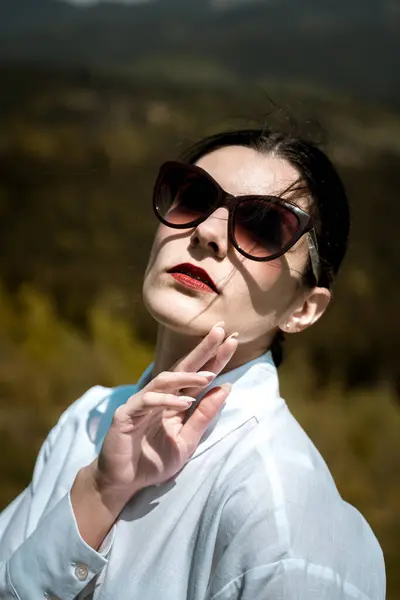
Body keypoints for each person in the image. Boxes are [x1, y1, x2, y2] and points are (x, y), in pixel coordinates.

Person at [0, 128, 385, 600]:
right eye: (194, 197)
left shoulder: (285, 513)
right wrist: (99, 494)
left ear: (304, 308)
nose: (206, 232)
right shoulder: (87, 419)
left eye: (263, 226)